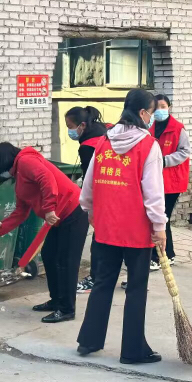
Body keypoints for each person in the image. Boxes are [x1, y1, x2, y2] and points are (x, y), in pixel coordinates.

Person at [77, 88, 167, 364]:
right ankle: (133, 350)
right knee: (137, 288)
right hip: (136, 230)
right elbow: (153, 192)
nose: (153, 118)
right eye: (152, 112)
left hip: (106, 227)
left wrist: (90, 210)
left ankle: (89, 341)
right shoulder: (148, 145)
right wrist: (159, 226)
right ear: (142, 113)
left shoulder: (103, 142)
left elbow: (88, 184)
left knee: (103, 282)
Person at [0, 143, 88, 323]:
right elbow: (20, 213)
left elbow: (47, 178)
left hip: (73, 210)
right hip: (59, 217)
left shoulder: (26, 161)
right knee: (49, 256)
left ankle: (66, 309)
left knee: (66, 261)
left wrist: (49, 209)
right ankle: (56, 300)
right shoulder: (20, 177)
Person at [65, 106, 108, 294]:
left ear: (82, 125)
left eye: (70, 126)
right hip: (119, 191)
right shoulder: (105, 130)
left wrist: (88, 204)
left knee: (99, 238)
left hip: (103, 196)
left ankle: (95, 278)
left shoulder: (88, 147)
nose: (69, 131)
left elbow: (91, 177)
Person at [148, 94, 191, 270]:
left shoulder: (178, 129)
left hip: (172, 181)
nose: (160, 110)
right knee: (161, 218)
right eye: (156, 107)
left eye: (163, 106)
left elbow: (184, 151)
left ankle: (160, 257)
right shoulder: (150, 128)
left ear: (169, 107)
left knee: (161, 218)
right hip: (155, 181)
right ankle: (168, 255)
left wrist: (164, 161)